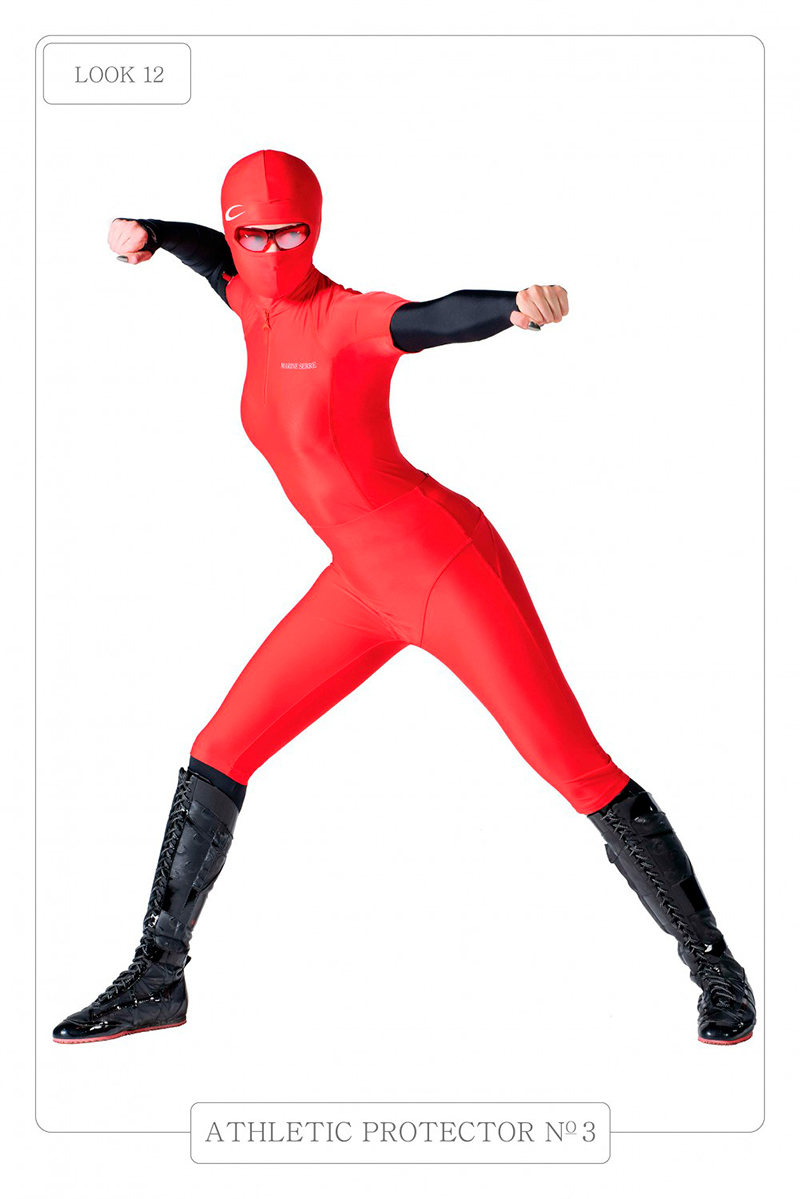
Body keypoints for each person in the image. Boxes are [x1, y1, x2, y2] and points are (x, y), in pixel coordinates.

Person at [53, 149, 756, 1047]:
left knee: (574, 764)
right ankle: (158, 977)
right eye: (254, 236)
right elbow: (207, 256)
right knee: (218, 749)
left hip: (434, 564)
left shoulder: (345, 317)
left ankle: (716, 967)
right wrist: (153, 233)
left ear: (317, 230)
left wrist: (510, 308)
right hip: (356, 582)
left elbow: (430, 318)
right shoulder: (246, 300)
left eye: (292, 234)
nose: (273, 252)